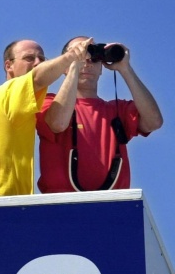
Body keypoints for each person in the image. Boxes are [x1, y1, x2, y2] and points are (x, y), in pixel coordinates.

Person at [36, 36, 163, 193]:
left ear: (101, 67)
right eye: (81, 55)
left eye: (94, 58)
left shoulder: (117, 110)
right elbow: (58, 123)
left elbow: (154, 122)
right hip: (61, 204)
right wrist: (74, 65)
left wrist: (125, 69)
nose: (87, 62)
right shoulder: (49, 102)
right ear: (64, 66)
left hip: (112, 205)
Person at [0, 38, 92, 197]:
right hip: (2, 200)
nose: (37, 63)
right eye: (29, 58)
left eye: (42, 59)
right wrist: (72, 57)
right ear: (8, 66)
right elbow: (38, 78)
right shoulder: (10, 90)